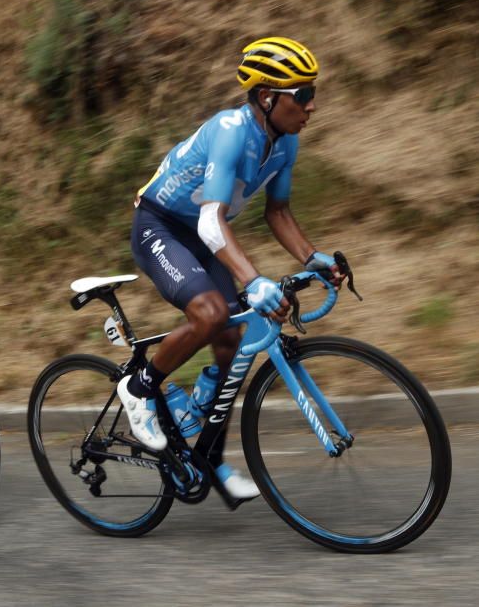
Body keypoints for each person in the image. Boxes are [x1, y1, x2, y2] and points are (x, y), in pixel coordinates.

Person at [120, 37, 343, 499]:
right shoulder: (229, 130)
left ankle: (208, 459)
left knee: (230, 347)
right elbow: (210, 218)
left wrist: (312, 258)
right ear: (268, 97)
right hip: (160, 227)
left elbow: (277, 213)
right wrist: (253, 279)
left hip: (203, 236)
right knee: (209, 314)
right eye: (302, 94)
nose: (312, 105)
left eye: (312, 92)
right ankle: (140, 390)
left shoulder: (284, 145)